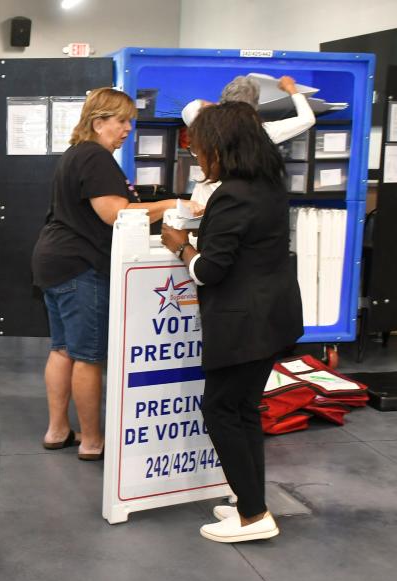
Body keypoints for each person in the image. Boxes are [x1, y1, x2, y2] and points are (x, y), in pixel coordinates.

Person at [160, 101, 303, 543]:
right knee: (242, 411)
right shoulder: (268, 185)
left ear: (221, 147)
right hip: (271, 317)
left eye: (201, 148)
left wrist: (179, 245)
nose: (198, 157)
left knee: (222, 410)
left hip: (243, 324)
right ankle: (249, 504)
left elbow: (208, 271)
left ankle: (254, 515)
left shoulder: (233, 194)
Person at [31, 87, 198, 459]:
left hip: (54, 260)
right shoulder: (95, 157)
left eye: (129, 122)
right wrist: (174, 203)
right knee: (88, 355)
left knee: (62, 349)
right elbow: (116, 213)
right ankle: (91, 440)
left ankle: (58, 430)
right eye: (121, 121)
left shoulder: (76, 155)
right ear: (98, 122)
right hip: (79, 264)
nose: (127, 129)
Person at [182, 75, 315, 206]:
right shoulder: (258, 132)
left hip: (212, 205)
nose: (216, 105)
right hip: (243, 204)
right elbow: (307, 119)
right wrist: (291, 88)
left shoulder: (205, 144)